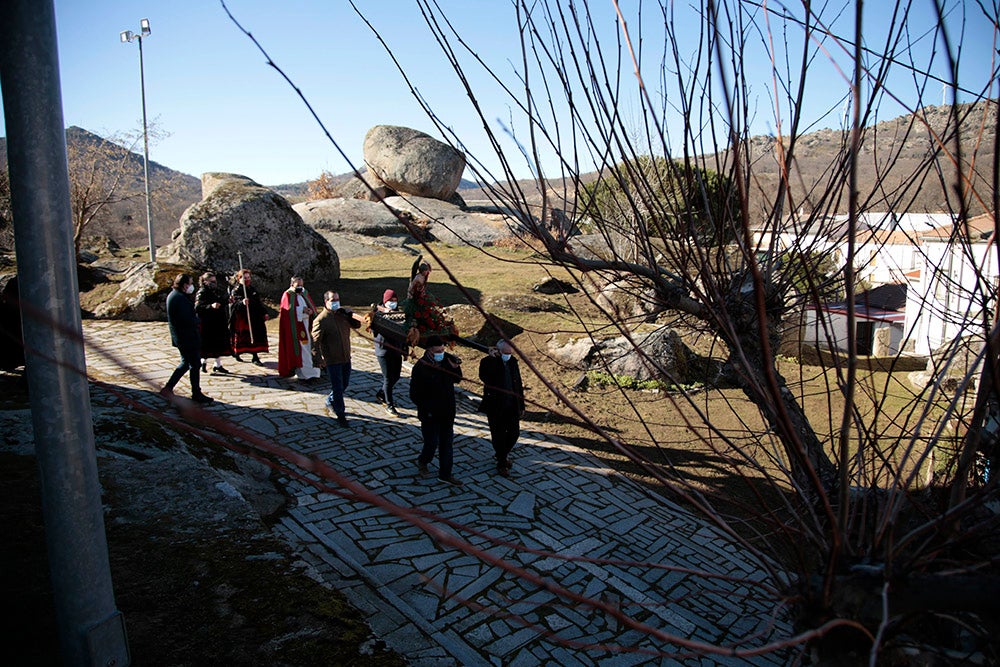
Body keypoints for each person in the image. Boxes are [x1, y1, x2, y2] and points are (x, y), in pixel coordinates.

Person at [409, 336, 463, 486]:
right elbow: (414, 394)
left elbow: (458, 379)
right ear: (429, 350)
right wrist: (426, 408)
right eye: (437, 350)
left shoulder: (447, 362)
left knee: (447, 444)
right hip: (430, 414)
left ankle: (445, 474)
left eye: (442, 350)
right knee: (431, 443)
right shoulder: (420, 367)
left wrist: (455, 367)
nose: (441, 353)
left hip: (447, 411)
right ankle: (423, 460)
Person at [161, 273, 213, 404]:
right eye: (190, 283)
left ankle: (168, 388)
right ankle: (196, 393)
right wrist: (197, 320)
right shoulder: (179, 298)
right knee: (194, 364)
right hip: (187, 337)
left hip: (183, 337)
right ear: (185, 285)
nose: (191, 286)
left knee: (185, 363)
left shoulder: (175, 296)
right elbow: (186, 319)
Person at [311, 290, 360, 427]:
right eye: (332, 300)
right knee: (338, 387)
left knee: (344, 384)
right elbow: (314, 342)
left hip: (346, 357)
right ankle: (340, 413)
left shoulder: (342, 315)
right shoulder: (321, 320)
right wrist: (318, 360)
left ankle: (330, 400)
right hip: (332, 360)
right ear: (326, 302)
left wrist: (350, 314)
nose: (335, 303)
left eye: (337, 300)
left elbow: (357, 325)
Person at [478, 339, 525, 477]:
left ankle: (501, 456)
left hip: (511, 405)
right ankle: (502, 462)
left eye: (510, 353)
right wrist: (494, 360)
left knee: (514, 433)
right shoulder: (487, 362)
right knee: (498, 435)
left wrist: (521, 404)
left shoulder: (513, 362)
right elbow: (486, 378)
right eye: (505, 353)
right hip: (495, 406)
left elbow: (518, 384)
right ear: (498, 351)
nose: (508, 355)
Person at [277, 276, 322, 380]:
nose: (300, 287)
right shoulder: (288, 295)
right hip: (295, 328)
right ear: (292, 284)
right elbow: (287, 311)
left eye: (302, 285)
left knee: (310, 347)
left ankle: (314, 370)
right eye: (298, 285)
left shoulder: (304, 293)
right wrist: (302, 310)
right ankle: (306, 373)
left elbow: (311, 306)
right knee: (303, 349)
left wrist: (311, 311)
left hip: (307, 324)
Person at [373, 288, 407, 417]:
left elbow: (403, 333)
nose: (393, 302)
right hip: (383, 350)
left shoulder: (399, 314)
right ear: (385, 301)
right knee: (388, 378)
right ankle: (389, 404)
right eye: (390, 300)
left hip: (396, 349)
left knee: (396, 376)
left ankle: (382, 393)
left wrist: (404, 349)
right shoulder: (378, 314)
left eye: (395, 300)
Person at [229, 268, 269, 366]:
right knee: (244, 336)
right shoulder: (236, 290)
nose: (247, 279)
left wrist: (264, 312)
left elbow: (258, 302)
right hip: (243, 318)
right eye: (244, 278)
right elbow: (233, 304)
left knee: (255, 336)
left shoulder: (252, 289)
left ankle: (255, 356)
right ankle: (237, 352)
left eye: (248, 277)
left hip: (254, 316)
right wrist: (242, 303)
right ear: (239, 279)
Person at [195, 272, 232, 375]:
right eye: (211, 281)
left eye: (215, 281)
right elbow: (198, 307)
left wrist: (227, 301)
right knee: (208, 344)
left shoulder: (216, 291)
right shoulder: (202, 292)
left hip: (218, 321)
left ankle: (218, 364)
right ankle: (203, 362)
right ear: (205, 281)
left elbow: (221, 301)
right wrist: (210, 306)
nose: (214, 283)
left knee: (218, 344)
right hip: (208, 322)